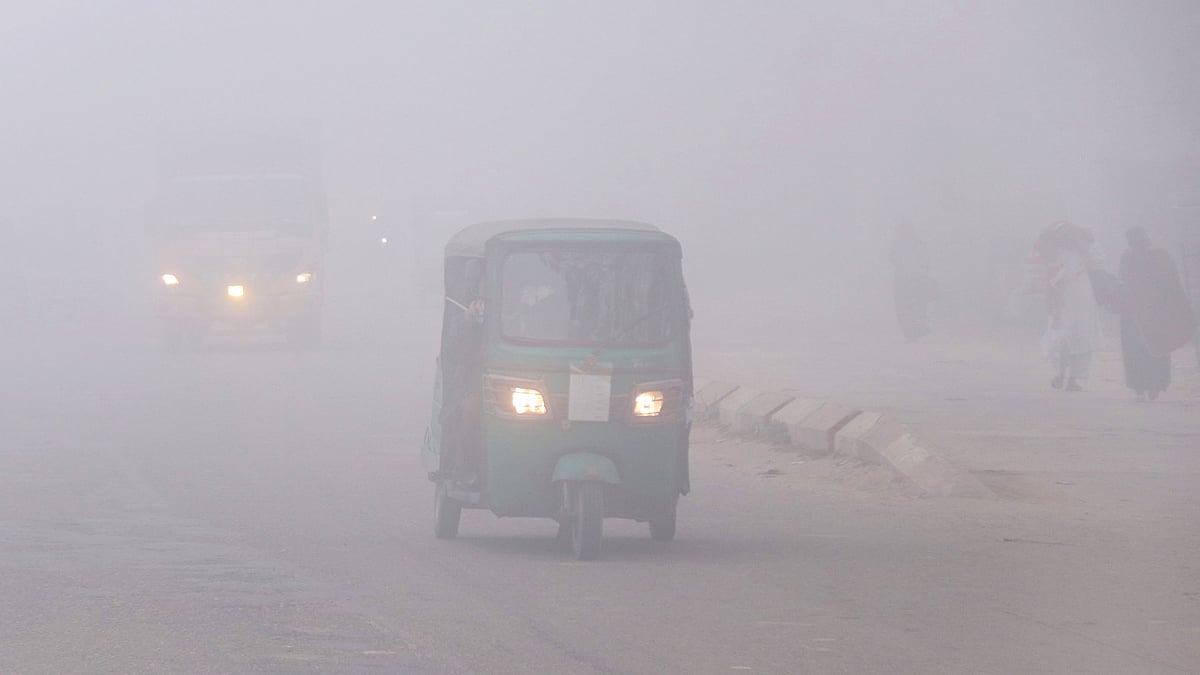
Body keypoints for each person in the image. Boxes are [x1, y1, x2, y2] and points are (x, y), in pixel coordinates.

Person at [1118, 227, 1196, 401]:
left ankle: (1145, 387)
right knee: (1148, 349)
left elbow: (1170, 285)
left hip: (1143, 313)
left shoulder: (1142, 257)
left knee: (1141, 350)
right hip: (1146, 313)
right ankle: (1149, 387)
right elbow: (1172, 285)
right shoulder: (1148, 256)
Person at [1032, 222, 1100, 391]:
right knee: (1063, 338)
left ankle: (1070, 377)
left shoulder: (1084, 256)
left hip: (1081, 304)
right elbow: (1051, 281)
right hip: (1064, 304)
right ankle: (1063, 375)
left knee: (1077, 339)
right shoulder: (1055, 256)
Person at [889, 223, 933, 342]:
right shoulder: (897, 245)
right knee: (904, 308)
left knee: (916, 307)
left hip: (915, 280)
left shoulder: (918, 245)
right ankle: (911, 332)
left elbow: (926, 263)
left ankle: (917, 331)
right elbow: (892, 260)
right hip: (903, 281)